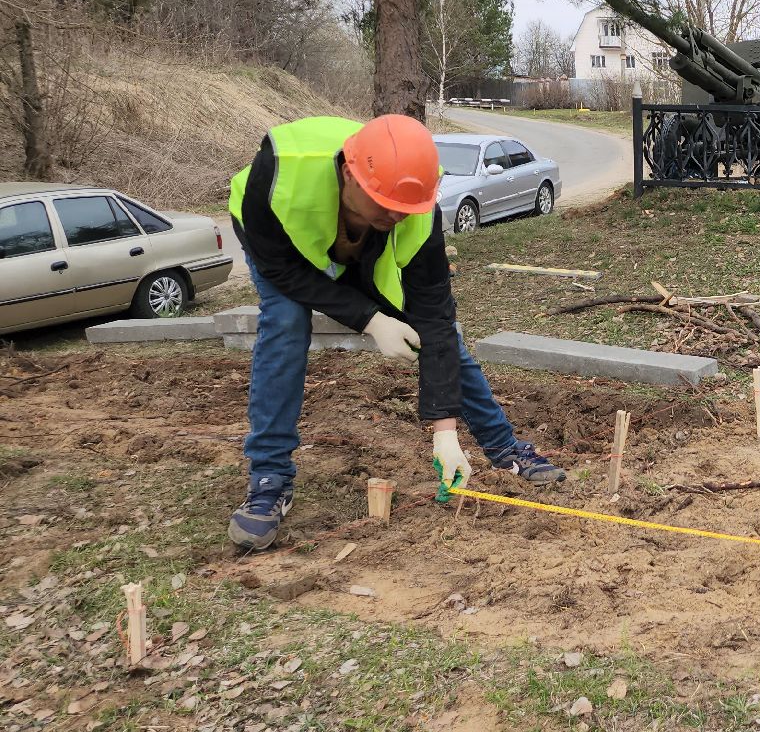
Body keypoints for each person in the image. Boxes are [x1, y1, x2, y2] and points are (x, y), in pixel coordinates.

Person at [226, 114, 567, 552]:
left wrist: (444, 430)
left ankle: (503, 447)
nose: (395, 216)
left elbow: (436, 319)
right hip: (284, 248)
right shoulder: (277, 175)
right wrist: (369, 319)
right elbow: (281, 271)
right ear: (350, 175)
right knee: (286, 322)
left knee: (444, 341)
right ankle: (270, 478)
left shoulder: (413, 211)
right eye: (386, 205)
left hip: (360, 250)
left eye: (405, 209)